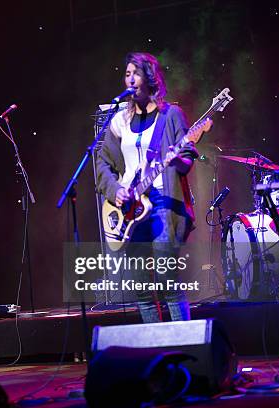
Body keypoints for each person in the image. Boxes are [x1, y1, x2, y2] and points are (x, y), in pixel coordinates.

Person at [96, 52, 198, 323]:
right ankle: (157, 350)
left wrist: (178, 158)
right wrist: (114, 189)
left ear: (150, 78)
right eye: (127, 73)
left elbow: (187, 158)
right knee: (141, 287)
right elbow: (102, 163)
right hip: (131, 208)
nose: (130, 79)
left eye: (136, 73)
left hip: (163, 203)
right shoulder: (119, 120)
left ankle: (185, 346)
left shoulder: (171, 115)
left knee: (167, 281)